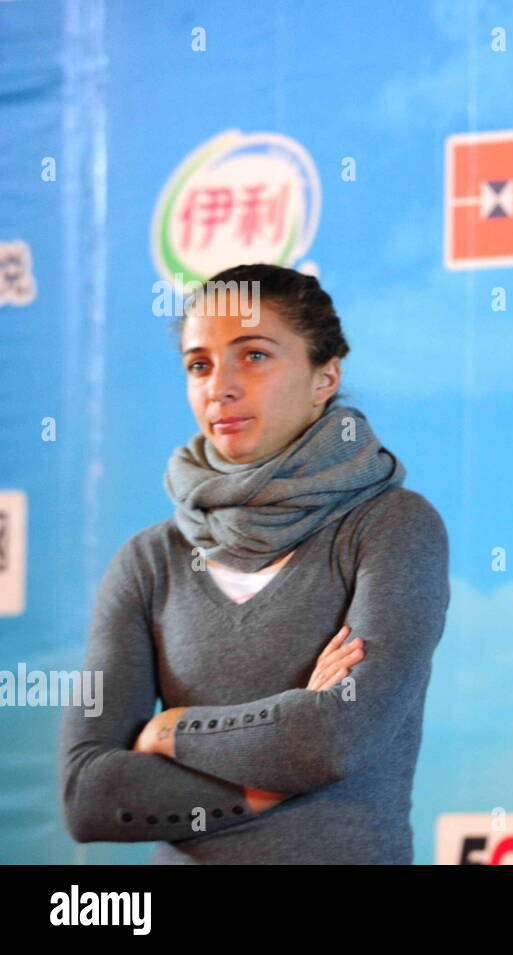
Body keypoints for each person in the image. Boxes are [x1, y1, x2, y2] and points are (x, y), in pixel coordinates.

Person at [57, 264, 451, 863]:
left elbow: (333, 740)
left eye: (255, 355)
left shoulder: (393, 527)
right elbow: (88, 793)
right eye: (200, 364)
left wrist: (171, 731)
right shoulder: (147, 562)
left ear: (326, 376)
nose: (221, 387)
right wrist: (270, 776)